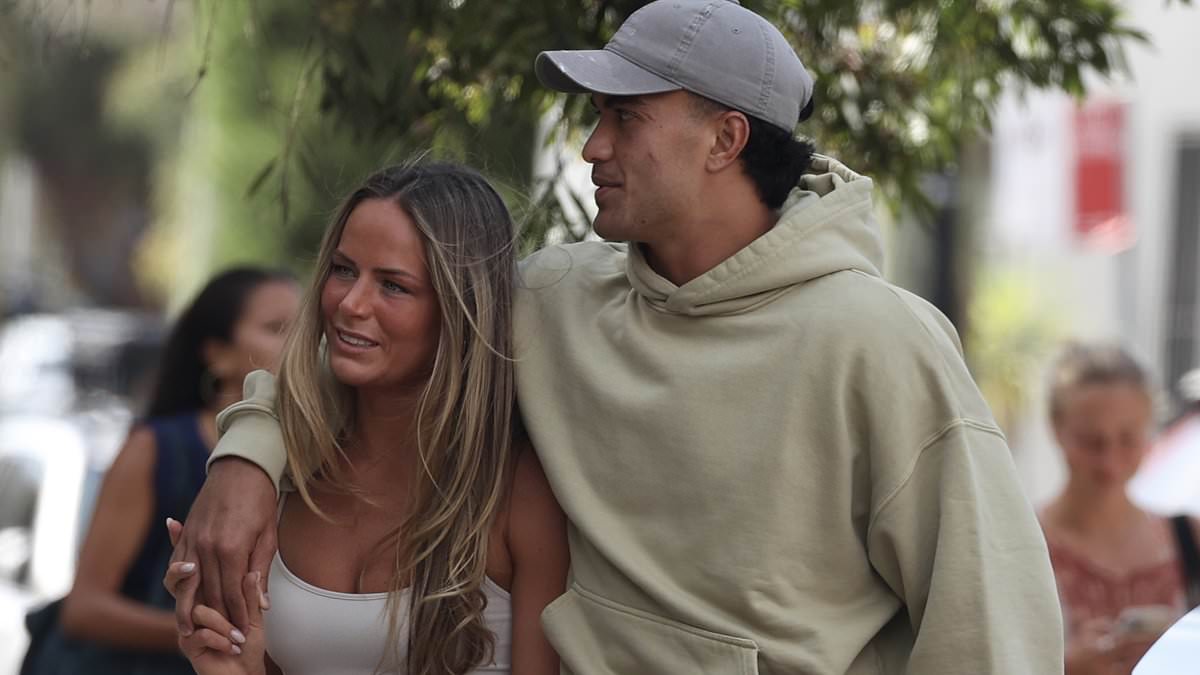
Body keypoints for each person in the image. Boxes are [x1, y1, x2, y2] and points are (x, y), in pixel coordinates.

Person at [171, 1, 1064, 672]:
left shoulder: (881, 342)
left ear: (725, 138)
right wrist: (246, 461)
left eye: (625, 117)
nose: (593, 147)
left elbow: (991, 627)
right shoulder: (556, 298)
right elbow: (368, 349)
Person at [165, 162, 569, 675]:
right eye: (343, 269)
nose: (350, 304)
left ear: (460, 306)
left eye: (393, 286)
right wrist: (224, 663)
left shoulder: (516, 491)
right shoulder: (289, 468)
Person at [20, 267, 299, 675]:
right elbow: (84, 609)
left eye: (306, 330)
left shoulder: (313, 457)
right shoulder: (156, 447)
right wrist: (200, 633)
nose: (298, 346)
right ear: (216, 352)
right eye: (276, 329)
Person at [1039, 343, 1200, 675]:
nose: (1109, 462)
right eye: (1090, 441)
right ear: (1057, 429)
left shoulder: (1191, 537)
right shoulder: (1019, 544)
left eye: (1127, 438)